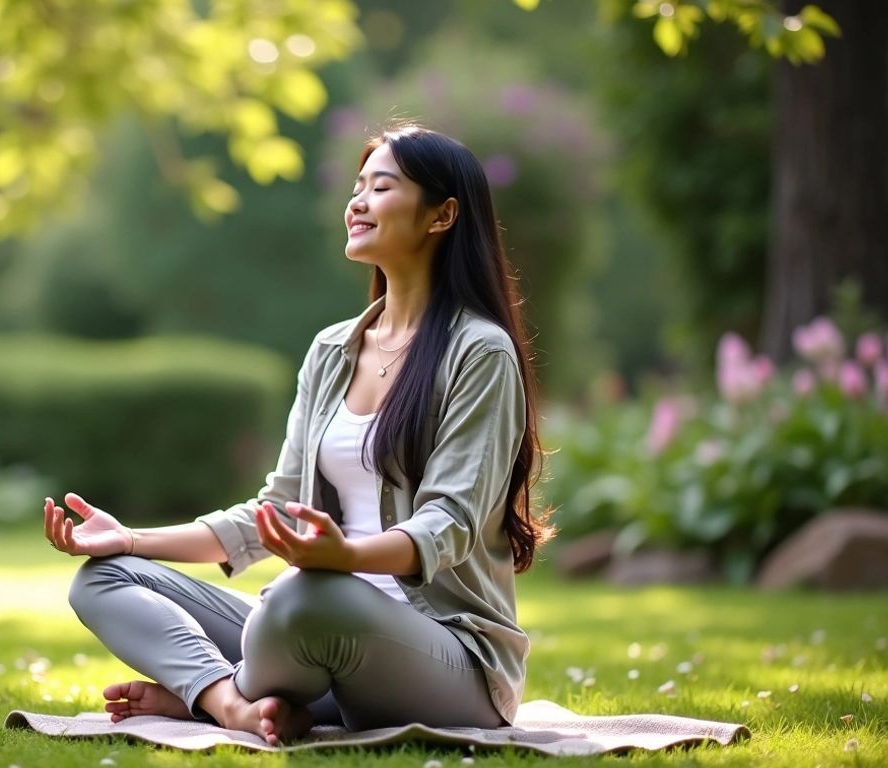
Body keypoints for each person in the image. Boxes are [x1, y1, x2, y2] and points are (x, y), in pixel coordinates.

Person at [42, 121, 551, 746]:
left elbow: (448, 523)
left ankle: (204, 694)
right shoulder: (332, 350)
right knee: (105, 577)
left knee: (297, 602)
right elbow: (276, 510)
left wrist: (344, 559)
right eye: (356, 186)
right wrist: (131, 538)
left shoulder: (479, 352)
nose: (357, 202)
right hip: (306, 621)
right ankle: (231, 702)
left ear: (441, 215)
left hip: (446, 657)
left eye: (381, 187)